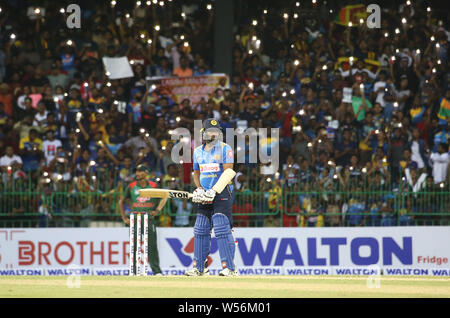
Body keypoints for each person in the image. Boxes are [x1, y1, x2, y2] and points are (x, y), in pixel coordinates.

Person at [185, 118, 237, 277]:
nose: (214, 134)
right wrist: (199, 189)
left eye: (216, 131)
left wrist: (214, 190)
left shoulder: (225, 149)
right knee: (200, 228)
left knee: (221, 227)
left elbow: (229, 173)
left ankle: (229, 268)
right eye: (210, 131)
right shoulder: (198, 152)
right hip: (205, 194)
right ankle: (199, 268)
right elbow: (197, 174)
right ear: (203, 133)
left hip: (222, 193)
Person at [119, 164, 167, 276]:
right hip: (135, 219)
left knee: (152, 246)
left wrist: (157, 210)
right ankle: (135, 271)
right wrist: (124, 218)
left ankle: (157, 271)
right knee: (134, 246)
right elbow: (121, 201)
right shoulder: (131, 186)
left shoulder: (153, 186)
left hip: (149, 219)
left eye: (140, 171)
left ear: (146, 173)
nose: (137, 174)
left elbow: (165, 196)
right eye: (136, 171)